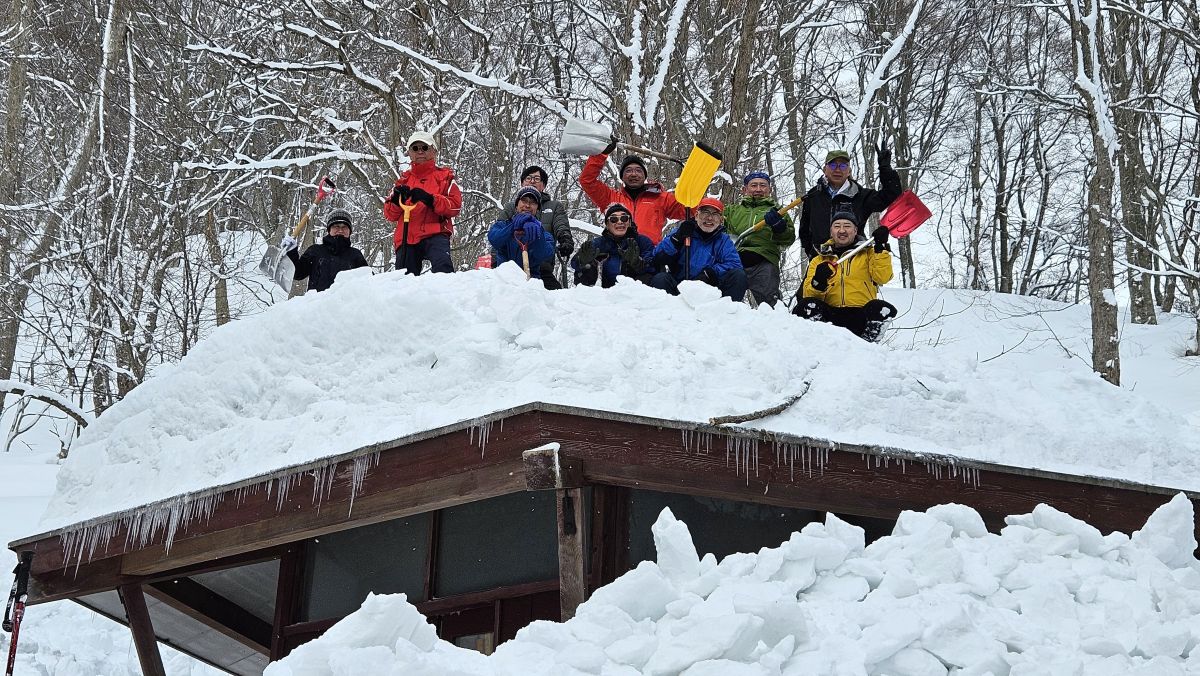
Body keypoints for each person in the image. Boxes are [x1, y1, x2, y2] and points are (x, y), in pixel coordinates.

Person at [793, 210, 897, 342]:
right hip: (830, 317)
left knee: (882, 308)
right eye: (837, 226)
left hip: (860, 315)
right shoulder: (818, 260)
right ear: (831, 231)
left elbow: (883, 277)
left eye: (847, 226)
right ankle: (818, 344)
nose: (842, 230)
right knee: (806, 305)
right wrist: (818, 282)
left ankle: (866, 347)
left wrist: (881, 249)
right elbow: (808, 296)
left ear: (855, 231)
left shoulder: (869, 254)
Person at [797, 144, 902, 258]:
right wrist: (812, 253)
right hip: (821, 260)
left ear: (849, 171)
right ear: (825, 169)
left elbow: (891, 196)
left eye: (843, 166)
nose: (837, 169)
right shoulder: (813, 195)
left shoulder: (861, 195)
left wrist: (885, 169)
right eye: (833, 165)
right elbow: (805, 230)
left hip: (855, 259)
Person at [382, 131, 463, 275]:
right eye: (415, 148)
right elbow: (389, 214)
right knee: (403, 279)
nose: (420, 151)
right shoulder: (403, 181)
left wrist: (431, 200)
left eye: (424, 147)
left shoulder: (446, 177)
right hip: (407, 237)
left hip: (436, 233)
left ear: (434, 151)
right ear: (409, 153)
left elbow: (455, 206)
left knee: (443, 272)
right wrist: (396, 200)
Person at [578, 140, 685, 244]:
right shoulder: (610, 198)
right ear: (622, 177)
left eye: (638, 170)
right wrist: (601, 154)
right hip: (617, 252)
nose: (633, 174)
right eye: (628, 170)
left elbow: (691, 208)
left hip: (649, 253)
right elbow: (587, 181)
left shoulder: (661, 198)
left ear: (644, 176)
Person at [649, 197, 748, 301]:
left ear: (721, 220)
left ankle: (727, 310)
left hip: (711, 290)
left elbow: (734, 264)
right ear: (696, 216)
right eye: (705, 212)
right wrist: (676, 239)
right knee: (660, 279)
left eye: (715, 214)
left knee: (738, 276)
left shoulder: (724, 240)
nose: (709, 218)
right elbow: (657, 256)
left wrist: (710, 273)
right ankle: (667, 310)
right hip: (680, 286)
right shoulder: (682, 232)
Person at [723, 171, 795, 306]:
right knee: (727, 303)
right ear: (745, 189)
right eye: (754, 185)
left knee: (770, 305)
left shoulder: (778, 212)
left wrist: (779, 227)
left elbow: (788, 239)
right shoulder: (732, 211)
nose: (758, 189)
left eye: (763, 185)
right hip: (735, 261)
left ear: (769, 189)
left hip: (764, 261)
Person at [487, 187, 560, 289]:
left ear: (537, 209)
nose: (527, 205)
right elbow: (494, 239)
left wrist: (537, 233)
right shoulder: (502, 226)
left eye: (533, 203)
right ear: (517, 205)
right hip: (503, 285)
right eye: (524, 201)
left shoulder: (545, 235)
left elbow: (544, 254)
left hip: (531, 287)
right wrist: (513, 227)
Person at [282, 209, 369, 292]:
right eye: (336, 226)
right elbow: (298, 274)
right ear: (329, 229)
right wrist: (291, 252)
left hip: (345, 302)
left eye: (345, 227)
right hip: (318, 301)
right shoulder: (315, 251)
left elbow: (369, 281)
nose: (340, 230)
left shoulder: (355, 254)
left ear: (350, 231)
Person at [571, 203, 655, 288]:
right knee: (584, 269)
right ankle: (589, 294)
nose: (620, 222)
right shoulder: (599, 243)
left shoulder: (643, 242)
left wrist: (637, 262)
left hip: (634, 289)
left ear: (629, 222)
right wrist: (582, 260)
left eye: (624, 218)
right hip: (605, 289)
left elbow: (653, 266)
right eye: (614, 219)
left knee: (648, 276)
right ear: (607, 225)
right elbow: (574, 263)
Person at [500, 165, 574, 261]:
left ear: (543, 185)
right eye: (528, 178)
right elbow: (499, 232)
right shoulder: (511, 207)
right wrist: (495, 261)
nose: (532, 181)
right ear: (522, 183)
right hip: (511, 264)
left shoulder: (554, 206)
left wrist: (566, 240)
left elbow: (561, 225)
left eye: (537, 179)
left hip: (543, 263)